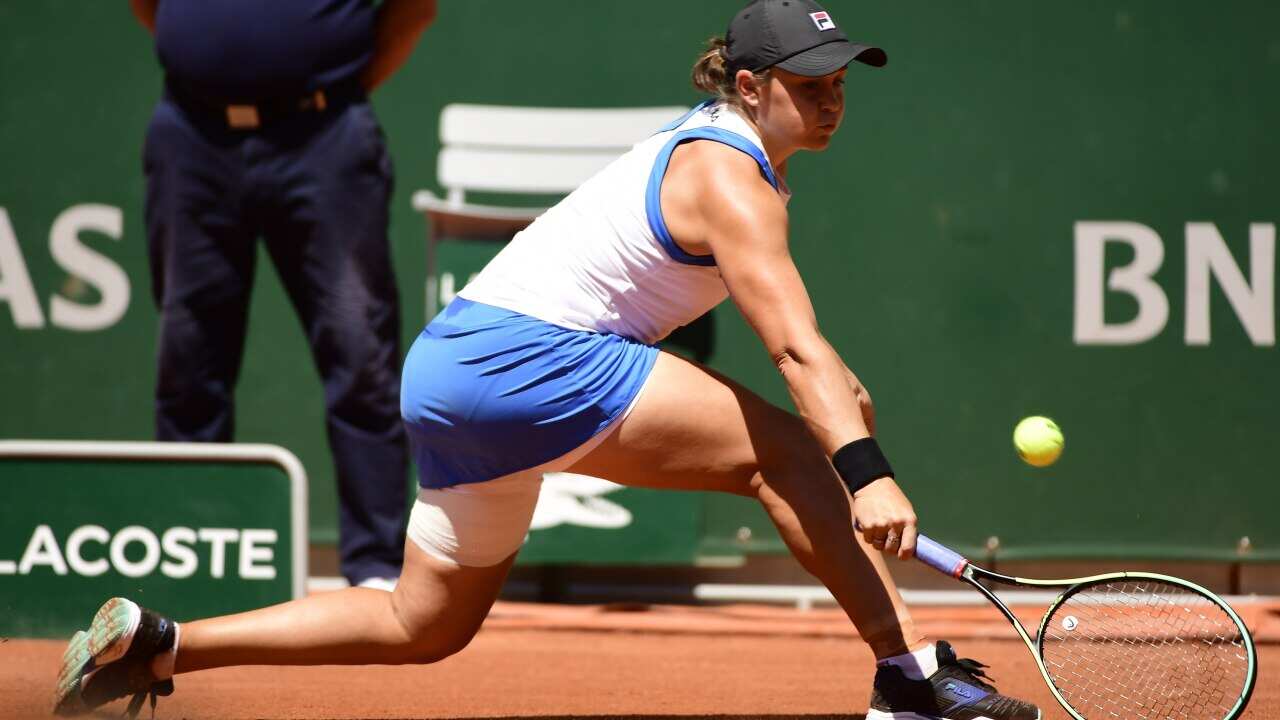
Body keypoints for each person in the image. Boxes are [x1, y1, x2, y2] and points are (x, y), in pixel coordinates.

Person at [57, 2, 1040, 719]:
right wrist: (860, 475)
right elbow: (791, 344)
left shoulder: (726, 163)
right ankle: (906, 675)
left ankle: (164, 645)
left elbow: (801, 347)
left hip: (453, 371)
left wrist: (845, 423)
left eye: (837, 83)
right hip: (526, 360)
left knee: (422, 626)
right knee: (784, 454)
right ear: (748, 86)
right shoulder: (726, 176)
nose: (829, 101)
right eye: (807, 83)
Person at [128, 0, 439, 590]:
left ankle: (374, 570)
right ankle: (191, 564)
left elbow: (415, 9)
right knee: (188, 364)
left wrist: (325, 89)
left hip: (324, 138)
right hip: (191, 136)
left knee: (360, 355)